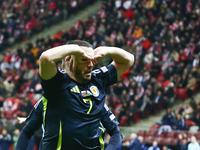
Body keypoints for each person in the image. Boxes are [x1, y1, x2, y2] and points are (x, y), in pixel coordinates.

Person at [17, 40, 134, 150]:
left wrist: (105, 50)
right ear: (69, 60)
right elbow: (46, 58)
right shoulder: (56, 85)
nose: (90, 65)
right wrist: (74, 49)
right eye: (84, 59)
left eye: (92, 60)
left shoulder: (98, 79)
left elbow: (129, 59)